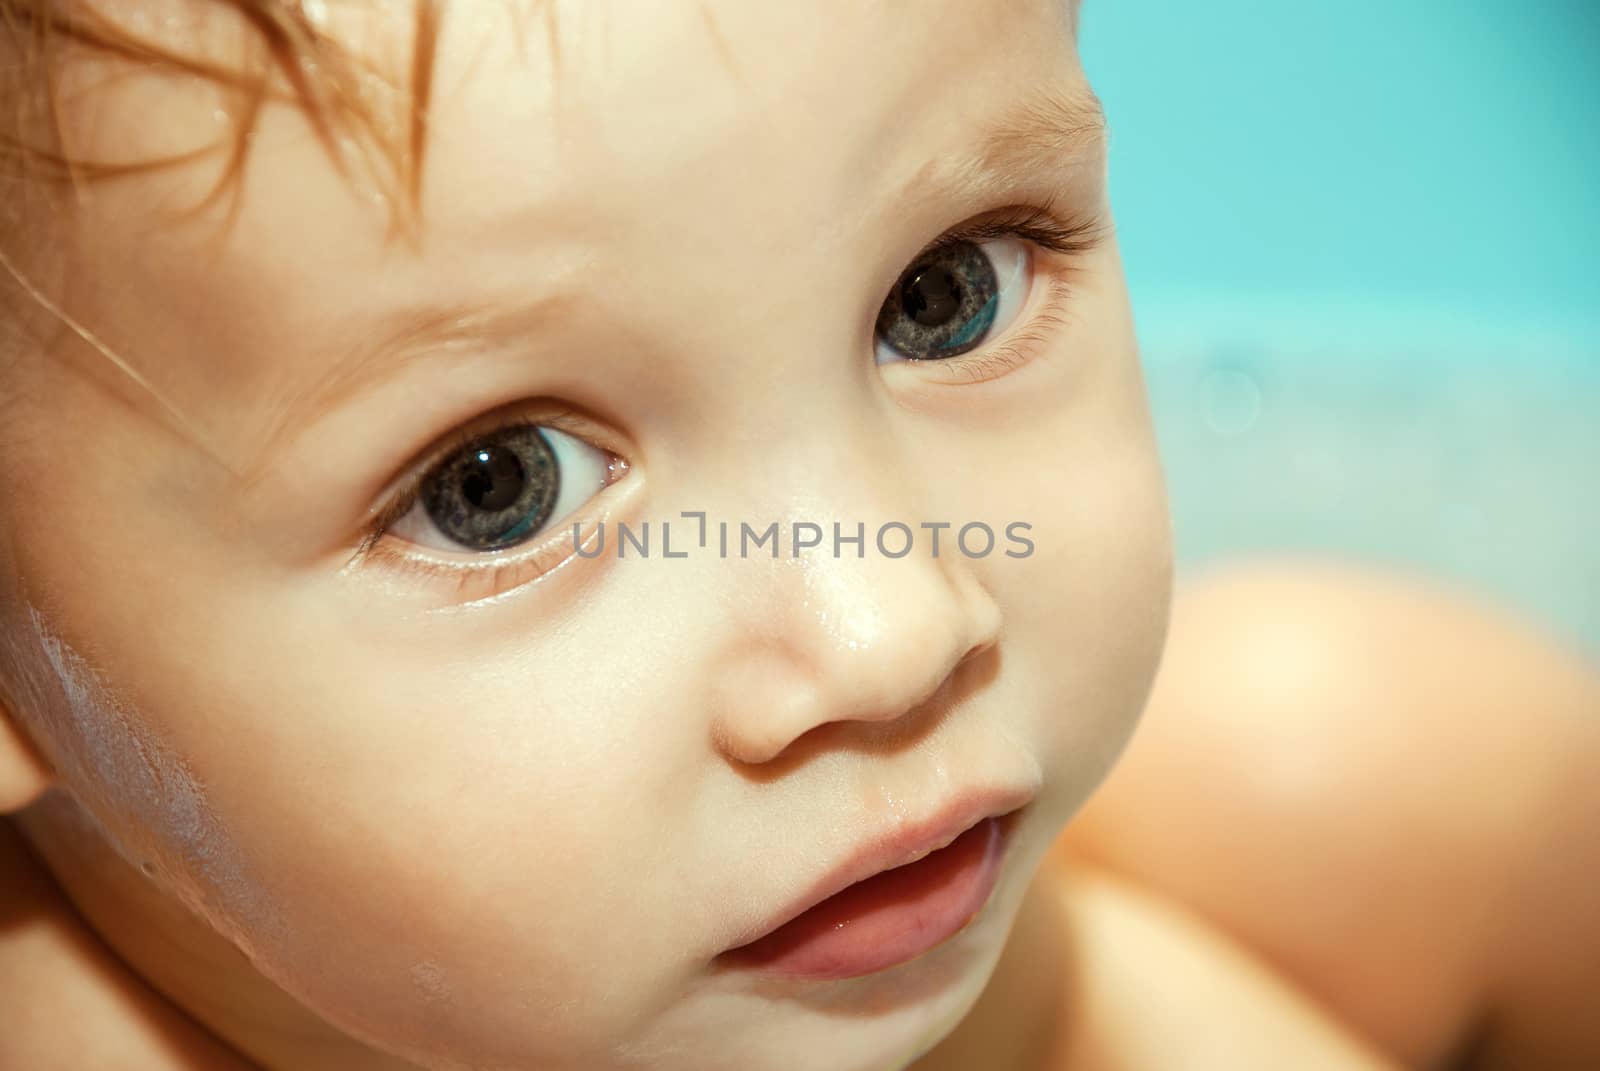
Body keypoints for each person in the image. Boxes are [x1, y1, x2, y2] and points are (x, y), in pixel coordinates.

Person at [0, 2, 1595, 1068]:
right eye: (501, 485)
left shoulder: (857, 887)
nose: (896, 631)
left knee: (1368, 758)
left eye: (945, 294)